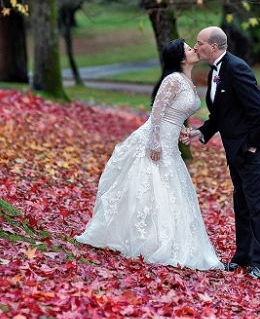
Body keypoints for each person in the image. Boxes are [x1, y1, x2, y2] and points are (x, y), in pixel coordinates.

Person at [75, 38, 223, 271]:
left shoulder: (187, 80)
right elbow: (157, 112)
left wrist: (183, 131)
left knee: (170, 189)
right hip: (155, 140)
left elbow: (174, 114)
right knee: (148, 184)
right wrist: (154, 142)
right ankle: (143, 238)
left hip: (170, 141)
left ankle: (163, 238)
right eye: (188, 48)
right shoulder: (173, 79)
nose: (193, 49)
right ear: (181, 57)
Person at [183, 26, 260, 280]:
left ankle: (259, 264)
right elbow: (221, 115)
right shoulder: (218, 71)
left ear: (214, 47)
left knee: (257, 207)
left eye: (200, 42)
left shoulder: (237, 68)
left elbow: (258, 109)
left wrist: (254, 145)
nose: (196, 46)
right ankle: (242, 257)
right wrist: (201, 132)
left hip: (252, 151)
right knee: (242, 205)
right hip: (236, 151)